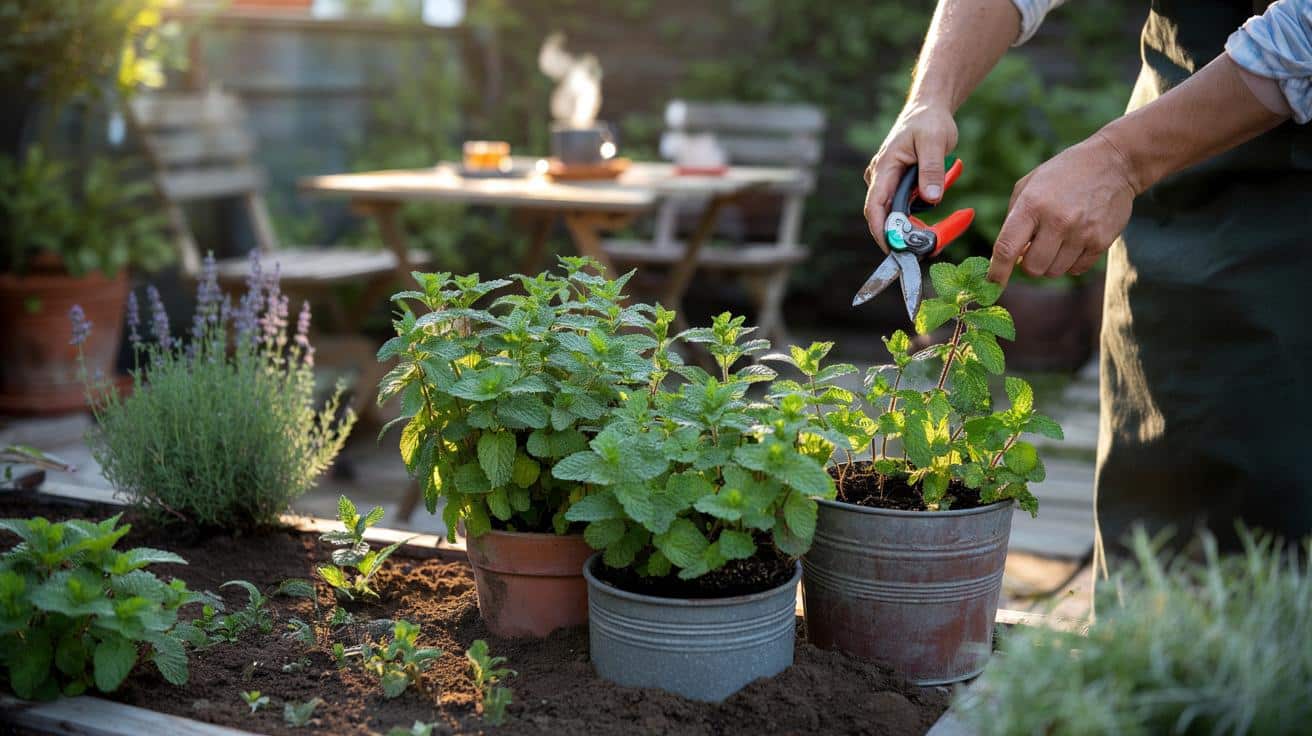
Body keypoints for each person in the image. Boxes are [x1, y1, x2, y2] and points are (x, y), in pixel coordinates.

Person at [862, 0, 1312, 564]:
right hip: (1165, 212)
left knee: (1278, 564)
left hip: (1291, 241)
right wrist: (929, 97)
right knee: (1151, 536)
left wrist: (1121, 159)